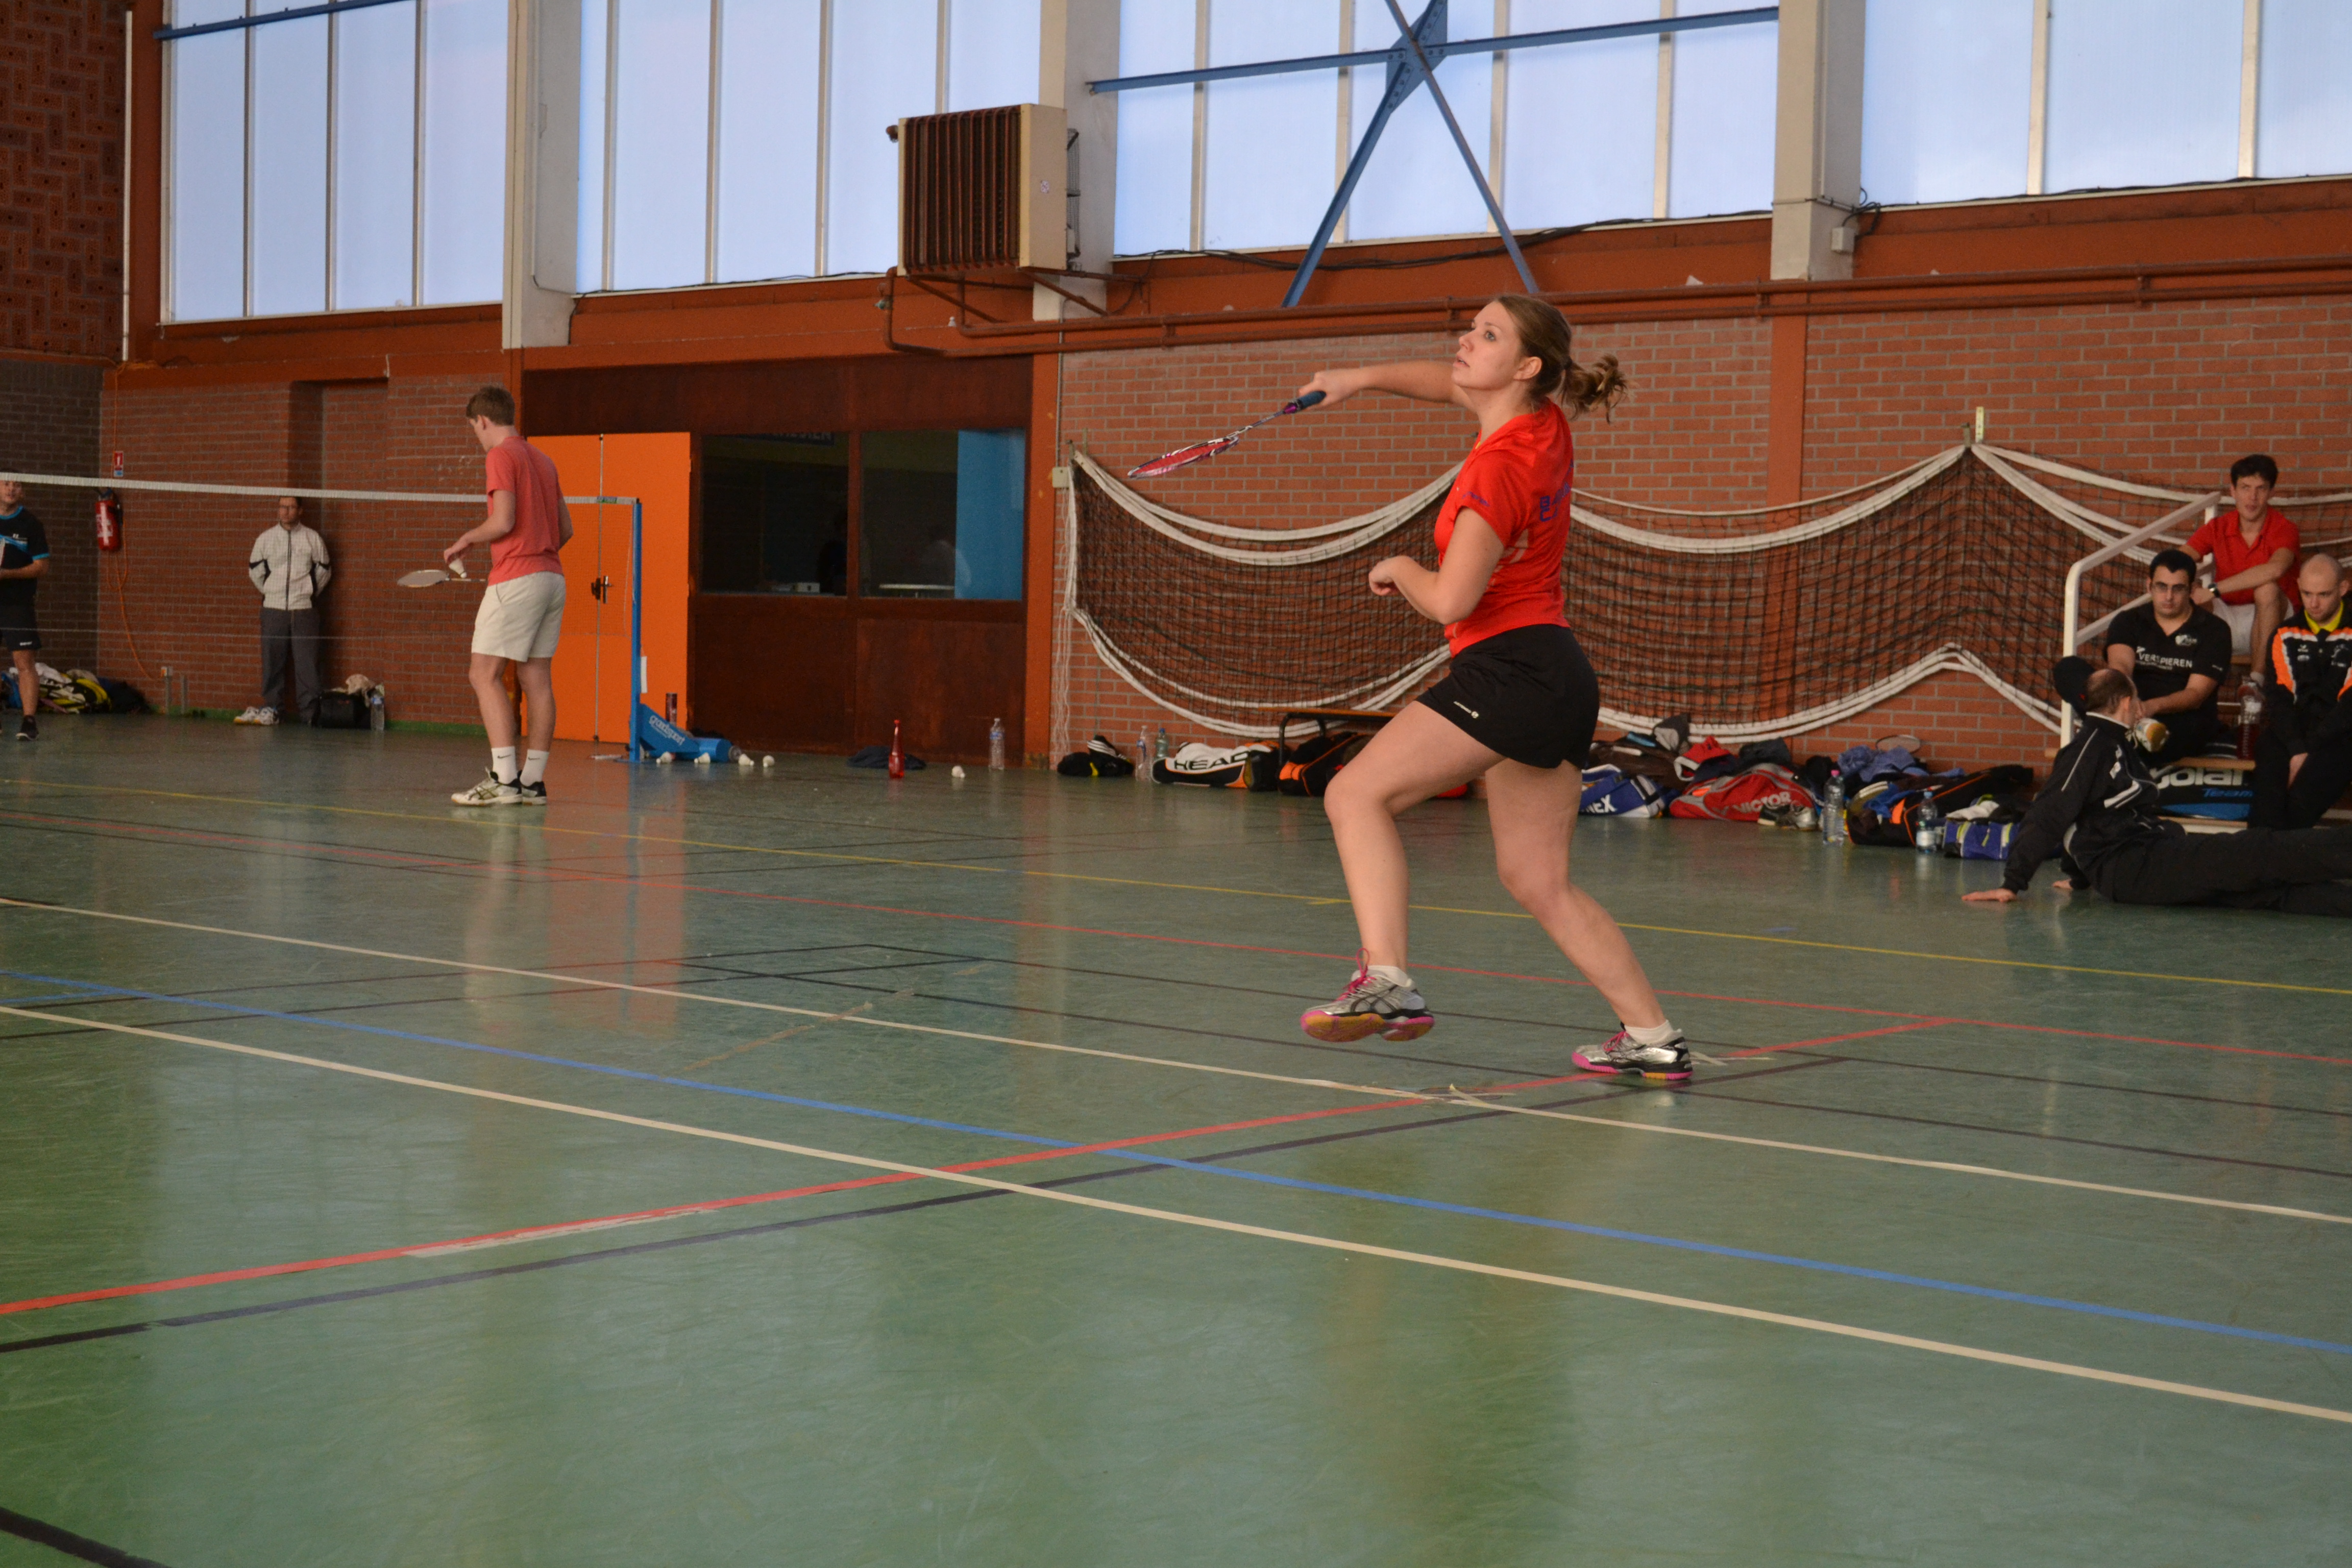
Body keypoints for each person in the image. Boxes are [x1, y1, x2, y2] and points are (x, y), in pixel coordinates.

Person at [1287, 296, 1689, 1081]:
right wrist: (1358, 378)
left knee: (1354, 795)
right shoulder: (1543, 424)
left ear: (1527, 366)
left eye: (1489, 334)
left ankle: (1387, 982)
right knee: (1539, 880)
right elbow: (1447, 384)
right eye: (1471, 328)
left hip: (1509, 670)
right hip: (1558, 676)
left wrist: (1399, 567)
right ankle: (1654, 1037)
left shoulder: (1498, 471)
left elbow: (1451, 601)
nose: (1466, 341)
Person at [1964, 660, 2352, 916]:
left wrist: (2081, 877)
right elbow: (2051, 814)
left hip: (2150, 857)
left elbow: (2088, 817)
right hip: (2138, 866)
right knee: (2259, 850)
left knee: (2262, 891)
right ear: (2127, 703)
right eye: (2137, 699)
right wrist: (2012, 884)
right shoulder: (2089, 748)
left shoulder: (2117, 743)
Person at [442, 386, 572, 806]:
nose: (476, 437)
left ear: (482, 420)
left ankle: (504, 780)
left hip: (517, 579)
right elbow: (566, 529)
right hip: (552, 577)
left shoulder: (500, 456)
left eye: (473, 429)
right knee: (537, 679)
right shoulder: (544, 460)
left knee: (483, 674)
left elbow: (503, 521)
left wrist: (466, 539)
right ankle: (532, 783)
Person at [2249, 552, 2352, 830]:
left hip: (2341, 733)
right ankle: (2259, 851)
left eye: (2324, 594)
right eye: (2307, 594)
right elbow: (2279, 698)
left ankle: (2278, 851)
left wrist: (2309, 751)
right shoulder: (2284, 633)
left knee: (2302, 799)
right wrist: (2297, 750)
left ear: (2343, 589)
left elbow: (2349, 706)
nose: (2313, 604)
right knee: (2268, 774)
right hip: (2292, 729)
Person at [2100, 547, 2231, 766]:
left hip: (2182, 718)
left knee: (2115, 740)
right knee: (2070, 669)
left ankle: (2125, 737)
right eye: (2162, 587)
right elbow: (2121, 666)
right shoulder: (2129, 621)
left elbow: (2196, 694)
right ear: (2149, 586)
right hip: (2130, 707)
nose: (2169, 597)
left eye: (2178, 589)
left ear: (2192, 589)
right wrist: (2130, 700)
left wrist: (2151, 707)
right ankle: (2130, 732)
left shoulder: (2214, 630)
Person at [2186, 454, 2299, 657]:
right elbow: (2180, 558)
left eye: (2261, 489)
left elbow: (2276, 569)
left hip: (2276, 616)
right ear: (2233, 491)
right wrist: (2184, 582)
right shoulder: (2219, 527)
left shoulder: (2284, 528)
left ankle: (2257, 676)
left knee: (2267, 590)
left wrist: (2213, 590)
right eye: (2245, 488)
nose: (2252, 497)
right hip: (2227, 611)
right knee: (2186, 593)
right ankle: (2190, 672)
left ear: (2271, 492)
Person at [238, 495, 332, 726]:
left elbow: (324, 570)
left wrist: (308, 593)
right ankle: (273, 710)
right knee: (272, 662)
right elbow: (255, 571)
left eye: (291, 507)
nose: (286, 511)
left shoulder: (312, 538)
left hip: (304, 610)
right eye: (282, 507)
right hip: (273, 609)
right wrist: (271, 592)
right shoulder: (266, 539)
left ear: (300, 511)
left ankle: (310, 714)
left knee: (307, 664)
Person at [0, 479, 48, 742]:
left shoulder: (31, 524)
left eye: (16, 485)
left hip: (17, 603)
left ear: (23, 491)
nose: (11, 489)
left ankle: (29, 722)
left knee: (24, 663)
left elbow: (41, 567)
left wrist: (7, 574)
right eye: (6, 484)